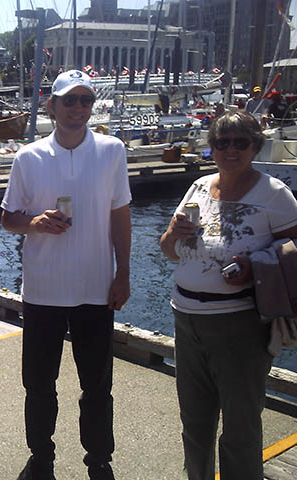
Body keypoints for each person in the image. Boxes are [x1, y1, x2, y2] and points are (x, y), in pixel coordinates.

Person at [0, 69, 132, 480]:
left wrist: (123, 272)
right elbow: (8, 218)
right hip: (43, 291)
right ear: (52, 105)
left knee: (98, 385)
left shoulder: (112, 150)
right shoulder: (28, 156)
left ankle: (99, 458)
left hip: (96, 288)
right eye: (69, 100)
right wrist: (35, 223)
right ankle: (41, 457)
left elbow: (120, 214)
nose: (77, 108)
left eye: (85, 100)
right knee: (39, 384)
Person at [159, 110, 297, 480]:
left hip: (240, 324)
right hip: (186, 320)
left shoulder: (274, 194)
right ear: (212, 147)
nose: (230, 150)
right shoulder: (198, 188)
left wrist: (256, 267)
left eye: (240, 142)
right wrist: (172, 234)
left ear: (255, 146)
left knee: (240, 428)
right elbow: (169, 250)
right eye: (222, 143)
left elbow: (294, 250)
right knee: (195, 423)